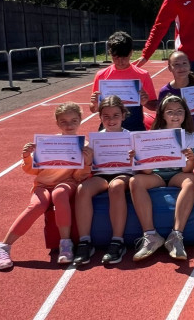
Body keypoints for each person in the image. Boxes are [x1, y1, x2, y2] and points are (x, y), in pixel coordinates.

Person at [0, 102, 92, 270]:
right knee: (37, 205)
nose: (69, 125)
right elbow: (33, 170)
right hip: (44, 184)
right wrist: (27, 156)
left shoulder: (85, 146)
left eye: (74, 120)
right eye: (64, 121)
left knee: (60, 193)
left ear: (80, 120)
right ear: (57, 123)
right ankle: (3, 247)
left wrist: (86, 163)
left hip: (67, 183)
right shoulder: (48, 143)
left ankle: (65, 244)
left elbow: (78, 177)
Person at [129, 96, 194, 262]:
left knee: (191, 180)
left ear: (185, 114)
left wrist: (190, 158)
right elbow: (147, 171)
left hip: (177, 174)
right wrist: (139, 158)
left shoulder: (190, 136)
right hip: (157, 175)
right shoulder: (152, 135)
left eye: (179, 111)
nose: (175, 115)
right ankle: (151, 235)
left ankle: (176, 235)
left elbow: (187, 170)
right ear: (162, 115)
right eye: (170, 112)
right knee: (134, 181)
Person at [73, 96, 133, 266]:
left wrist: (135, 158)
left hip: (124, 174)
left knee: (116, 186)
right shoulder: (95, 139)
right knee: (82, 189)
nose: (111, 120)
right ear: (100, 117)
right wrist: (88, 159)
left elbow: (140, 166)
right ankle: (85, 242)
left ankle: (117, 241)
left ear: (123, 115)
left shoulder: (131, 137)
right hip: (101, 175)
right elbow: (90, 169)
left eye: (115, 115)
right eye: (105, 116)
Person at [90, 31, 157, 132]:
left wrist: (145, 101)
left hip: (135, 127)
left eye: (124, 57)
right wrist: (95, 104)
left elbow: (154, 106)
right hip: (109, 128)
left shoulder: (142, 74)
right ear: (110, 53)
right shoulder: (102, 75)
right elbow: (93, 109)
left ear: (131, 53)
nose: (120, 61)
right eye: (116, 57)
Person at [157, 50, 194, 138]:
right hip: (182, 138)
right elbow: (161, 119)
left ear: (189, 65)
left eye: (184, 63)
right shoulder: (165, 92)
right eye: (176, 64)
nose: (181, 67)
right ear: (169, 68)